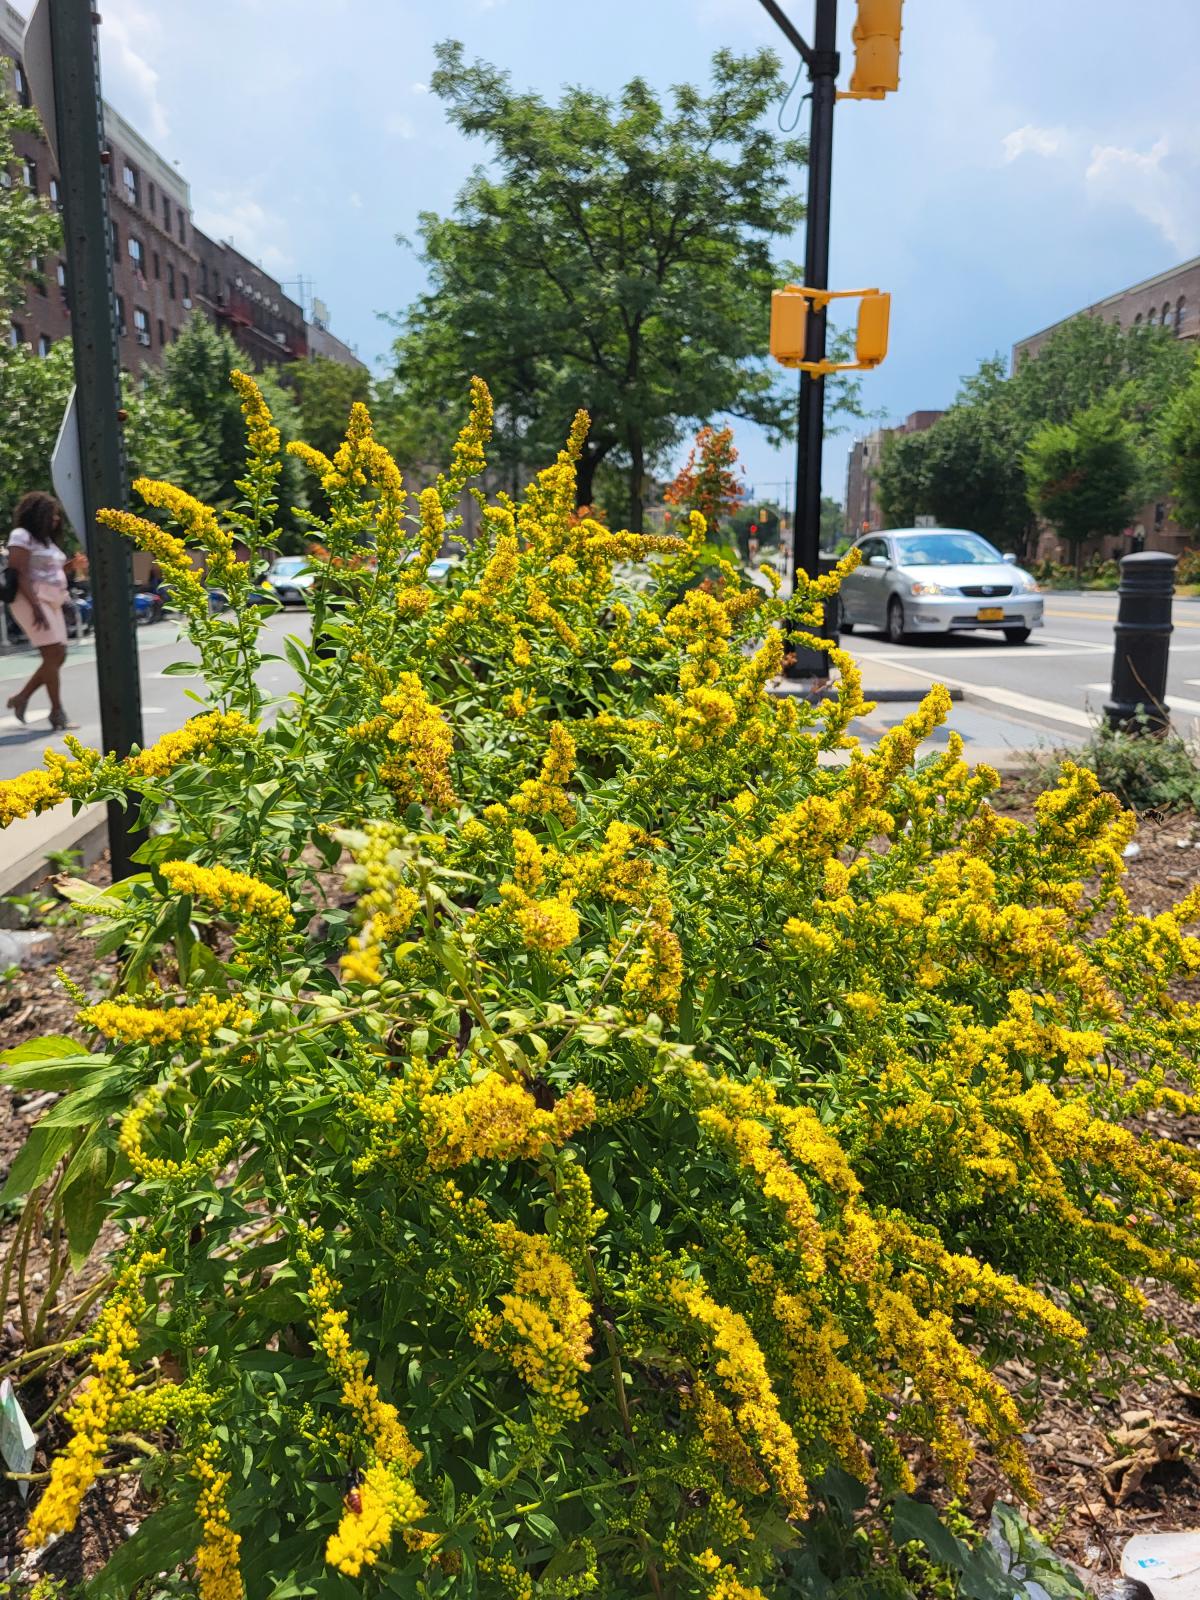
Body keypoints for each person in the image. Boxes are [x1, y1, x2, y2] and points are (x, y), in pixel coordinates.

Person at [5, 491, 73, 729]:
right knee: (53, 653)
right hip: (30, 601)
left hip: (52, 601)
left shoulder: (45, 540)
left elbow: (48, 569)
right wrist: (36, 607)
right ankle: (56, 712)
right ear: (37, 514)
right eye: (51, 514)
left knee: (59, 654)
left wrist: (72, 566)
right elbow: (18, 571)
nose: (55, 519)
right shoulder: (21, 535)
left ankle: (21, 698)